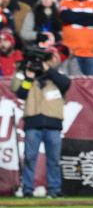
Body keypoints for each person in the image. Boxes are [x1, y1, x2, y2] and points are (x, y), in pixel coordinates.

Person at [12, 46, 70, 199]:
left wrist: (46, 69)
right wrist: (28, 76)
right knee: (30, 158)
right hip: (33, 121)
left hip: (53, 123)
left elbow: (65, 84)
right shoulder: (27, 74)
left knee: (54, 159)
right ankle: (28, 190)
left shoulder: (57, 75)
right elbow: (20, 92)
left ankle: (55, 189)